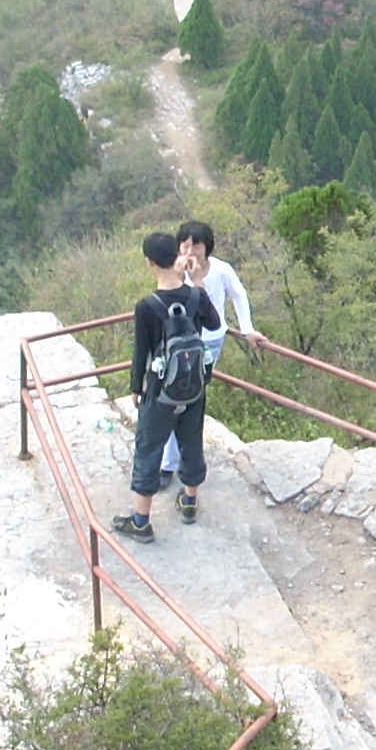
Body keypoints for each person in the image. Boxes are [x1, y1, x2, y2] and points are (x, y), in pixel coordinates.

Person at [114, 229, 219, 542]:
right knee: (191, 442)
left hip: (160, 391)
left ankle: (141, 522)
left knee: (148, 448)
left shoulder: (147, 305)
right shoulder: (194, 295)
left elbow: (141, 352)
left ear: (149, 263)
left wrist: (136, 388)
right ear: (177, 255)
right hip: (194, 386)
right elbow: (213, 325)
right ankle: (188, 502)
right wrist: (197, 283)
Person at [159, 218, 256, 482]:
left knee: (189, 400)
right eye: (185, 245)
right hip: (178, 342)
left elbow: (239, 294)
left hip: (210, 342)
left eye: (196, 246)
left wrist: (246, 328)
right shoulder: (174, 272)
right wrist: (178, 276)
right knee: (175, 400)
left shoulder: (221, 270)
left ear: (207, 247)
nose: (190, 252)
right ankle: (170, 463)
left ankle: (174, 464)